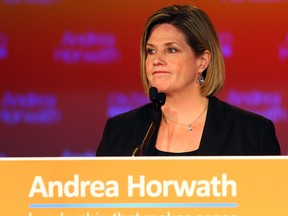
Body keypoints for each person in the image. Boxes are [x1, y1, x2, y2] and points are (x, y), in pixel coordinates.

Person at [96, 4, 280, 156]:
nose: (156, 60)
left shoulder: (252, 133)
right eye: (151, 51)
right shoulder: (119, 131)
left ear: (202, 61)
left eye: (171, 49)